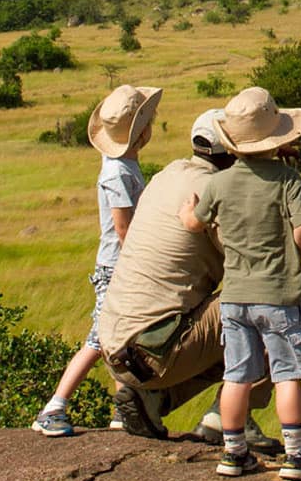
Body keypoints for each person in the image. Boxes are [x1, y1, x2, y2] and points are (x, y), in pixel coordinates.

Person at [95, 109, 274, 443]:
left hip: (115, 347)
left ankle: (154, 400)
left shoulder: (168, 173)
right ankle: (232, 416)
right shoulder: (219, 191)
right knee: (267, 299)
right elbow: (258, 264)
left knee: (214, 327)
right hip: (154, 351)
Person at [181, 87, 301, 480]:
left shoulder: (219, 183)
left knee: (236, 374)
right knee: (285, 373)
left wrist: (186, 211)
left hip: (235, 298)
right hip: (277, 295)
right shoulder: (289, 181)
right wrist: (293, 255)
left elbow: (195, 222)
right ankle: (296, 457)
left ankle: (233, 453)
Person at [32, 83, 162, 437]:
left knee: (121, 340)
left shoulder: (124, 163)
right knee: (100, 340)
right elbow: (124, 229)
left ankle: (125, 408)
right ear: (141, 131)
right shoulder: (117, 171)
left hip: (121, 265)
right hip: (118, 267)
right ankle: (54, 406)